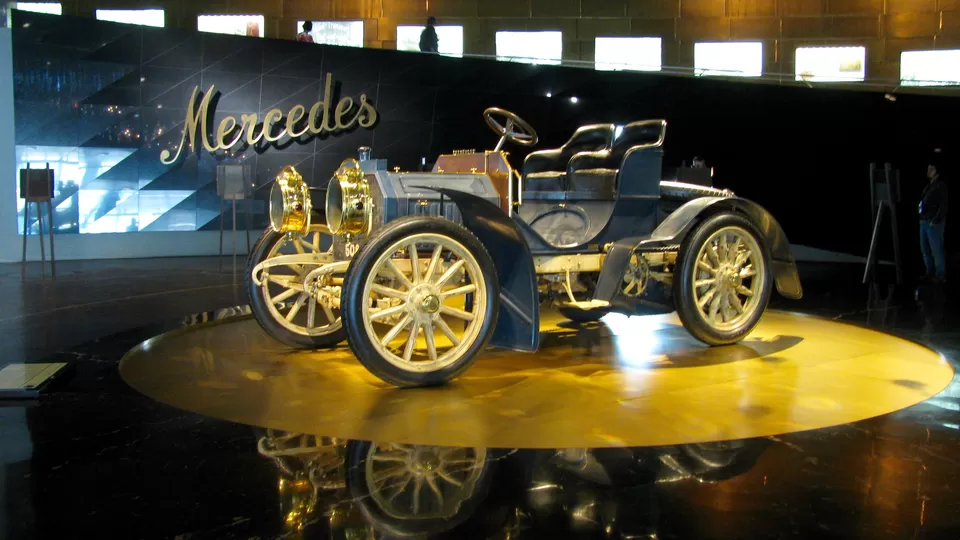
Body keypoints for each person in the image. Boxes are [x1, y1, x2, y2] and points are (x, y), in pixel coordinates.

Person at [919, 156, 948, 282]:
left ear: (936, 171)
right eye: (928, 168)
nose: (928, 171)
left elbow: (943, 206)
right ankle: (929, 272)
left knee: (936, 249)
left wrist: (935, 221)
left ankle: (940, 274)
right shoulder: (929, 186)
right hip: (924, 221)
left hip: (932, 222)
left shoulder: (940, 186)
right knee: (925, 249)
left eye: (931, 169)